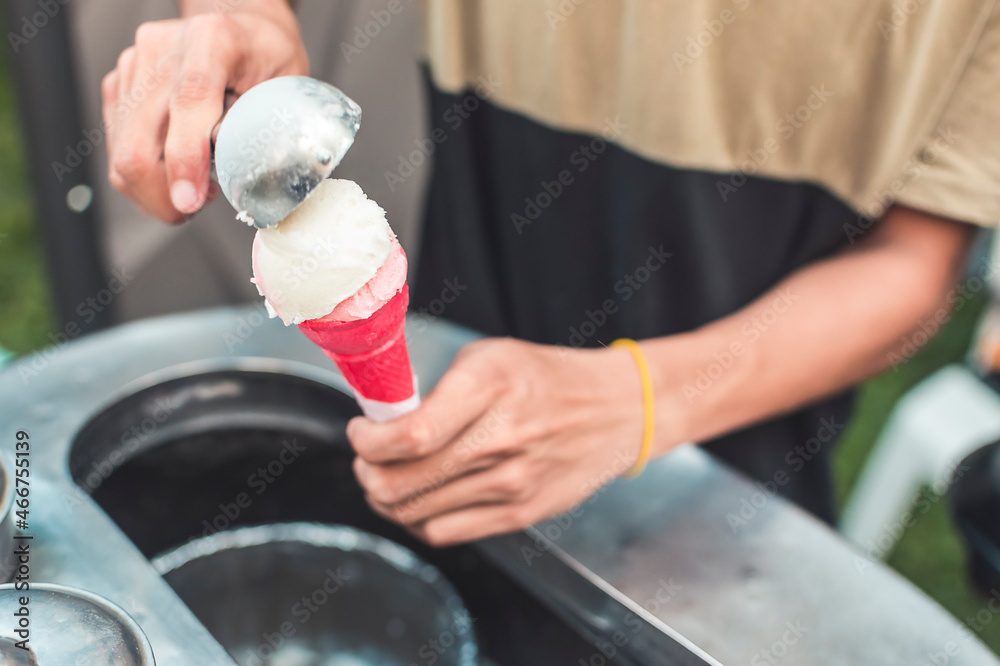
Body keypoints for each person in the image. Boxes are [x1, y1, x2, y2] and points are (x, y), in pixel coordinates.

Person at [102, 0, 999, 546]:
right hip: (449, 364)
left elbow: (919, 266)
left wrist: (638, 400)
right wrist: (250, 17)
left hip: (734, 463)